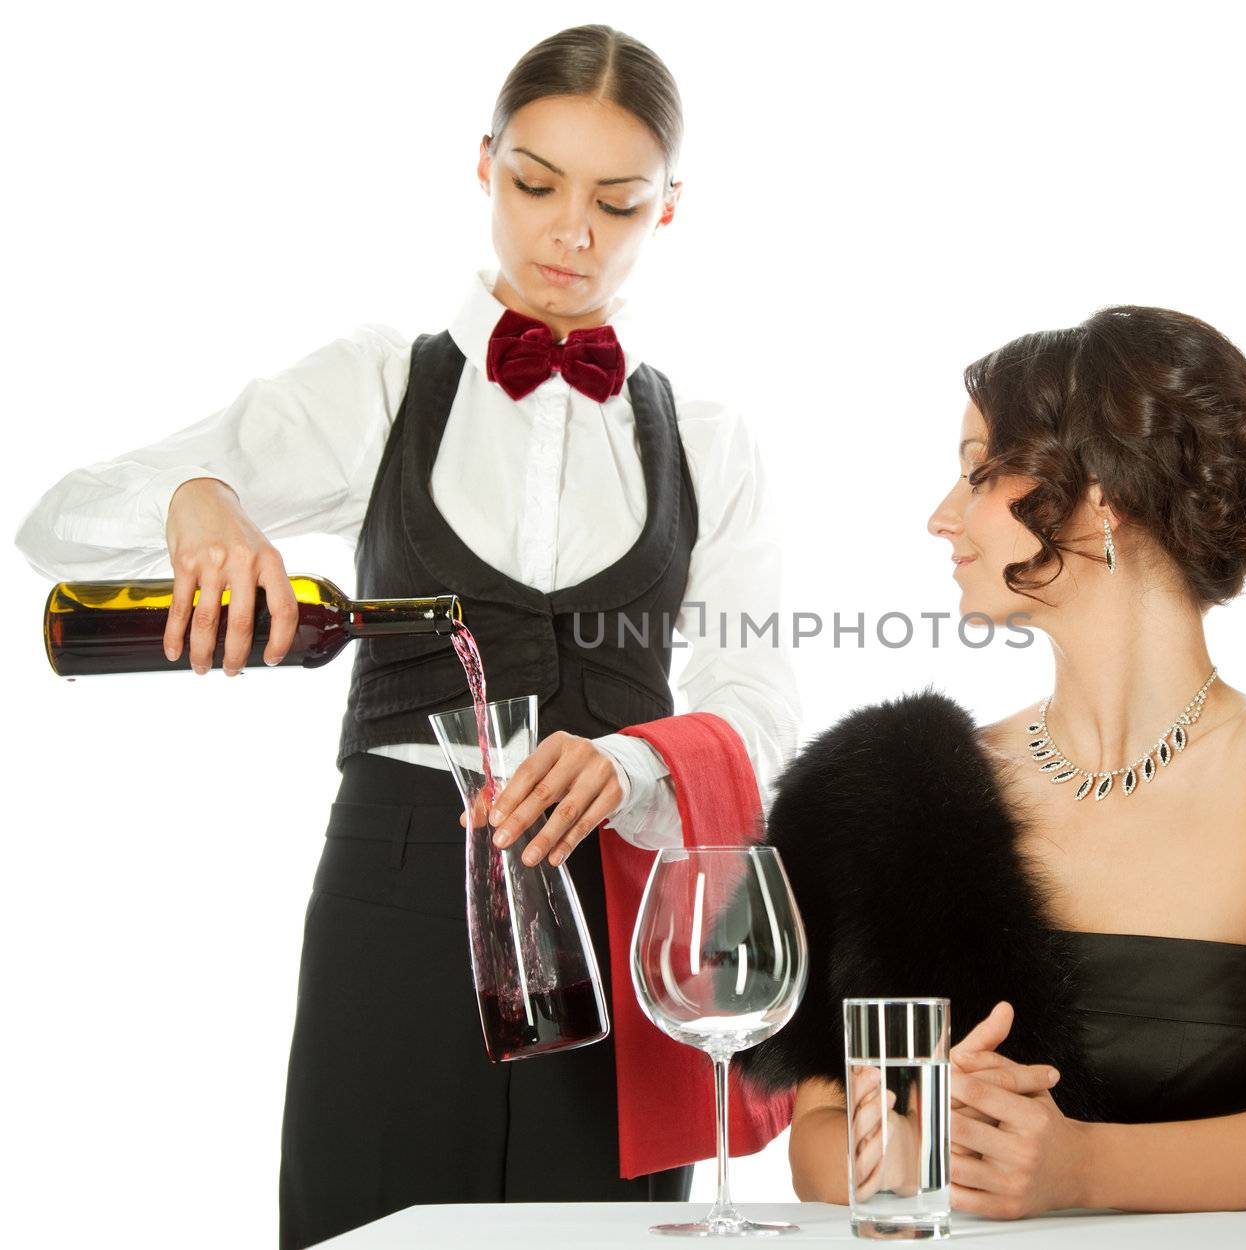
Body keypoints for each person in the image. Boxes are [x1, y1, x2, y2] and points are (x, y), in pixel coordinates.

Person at [15, 25, 800, 1249]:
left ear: (672, 207)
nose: (571, 234)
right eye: (537, 185)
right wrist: (198, 499)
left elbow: (760, 697)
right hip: (397, 887)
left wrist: (636, 761)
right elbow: (56, 521)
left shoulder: (708, 436)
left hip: (614, 901)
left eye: (619, 202)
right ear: (483, 164)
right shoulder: (377, 386)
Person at [736, 305, 1246, 1216]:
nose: (940, 516)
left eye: (977, 475)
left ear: (1102, 493)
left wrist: (1076, 1169)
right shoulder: (905, 788)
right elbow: (814, 1141)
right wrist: (899, 1151)